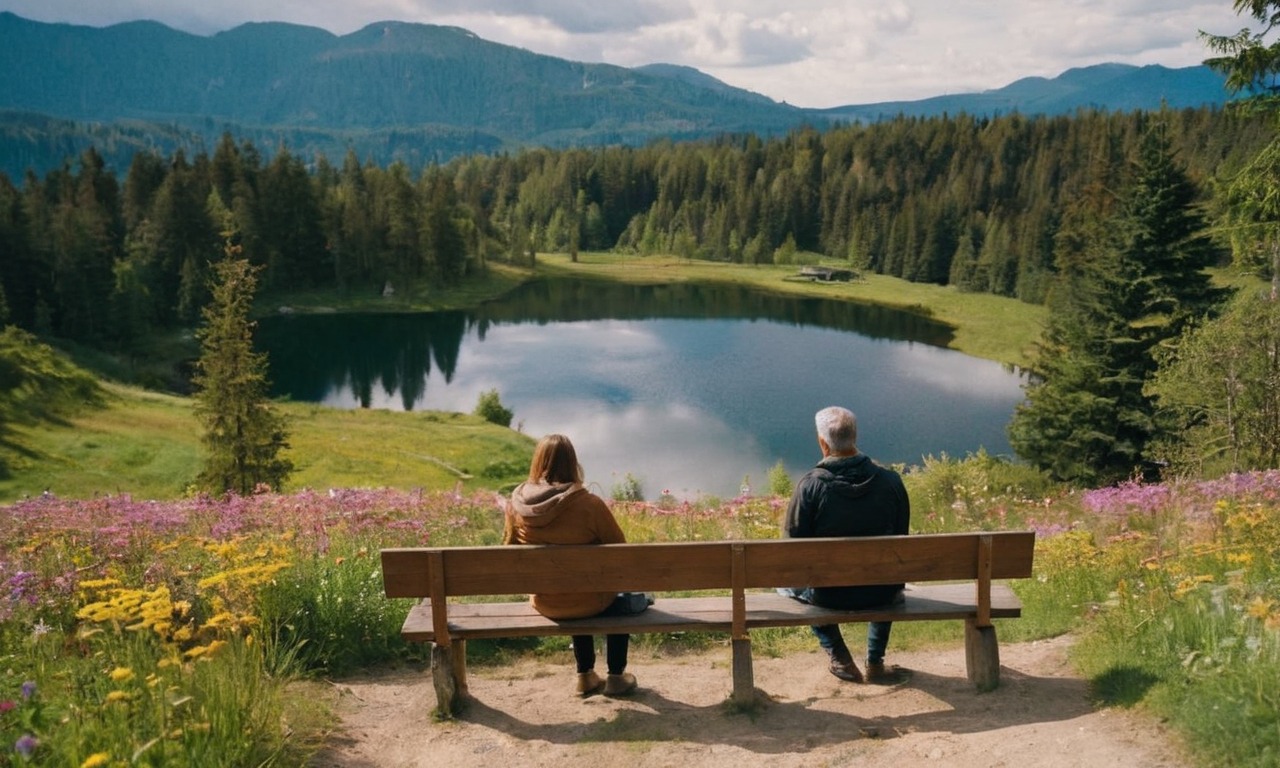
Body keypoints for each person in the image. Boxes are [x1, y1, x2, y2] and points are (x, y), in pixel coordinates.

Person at [780, 406, 911, 684]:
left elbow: (790, 553)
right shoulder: (891, 482)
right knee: (886, 570)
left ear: (823, 443)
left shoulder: (810, 487)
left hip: (828, 596)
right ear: (855, 437)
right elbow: (901, 540)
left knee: (788, 583)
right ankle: (875, 662)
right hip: (883, 592)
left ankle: (840, 657)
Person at [504, 433, 639, 697]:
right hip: (591, 602)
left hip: (546, 601)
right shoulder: (589, 505)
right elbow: (621, 552)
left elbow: (509, 551)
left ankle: (585, 675)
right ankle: (616, 677)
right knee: (613, 590)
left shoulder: (516, 508)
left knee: (569, 584)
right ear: (572, 463)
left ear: (537, 462)